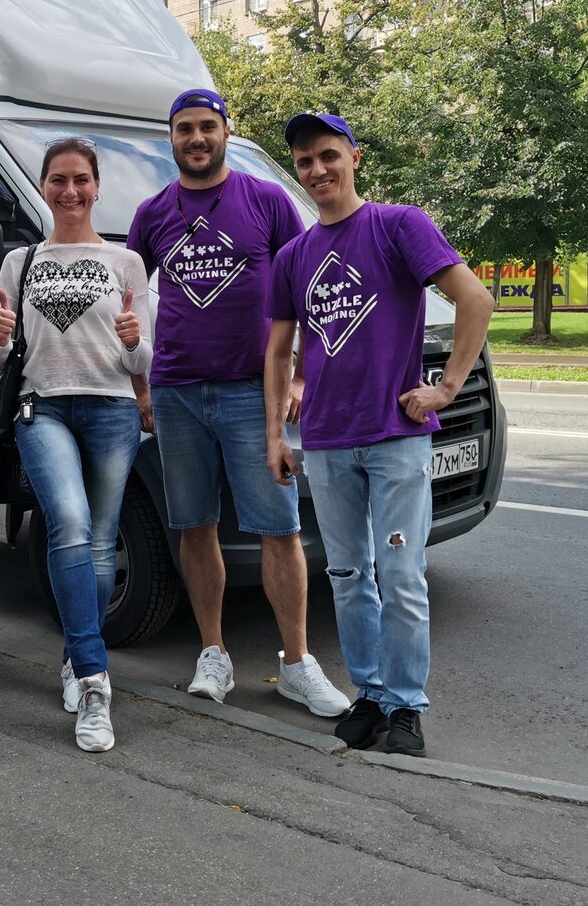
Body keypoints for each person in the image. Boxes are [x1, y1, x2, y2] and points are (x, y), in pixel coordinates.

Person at [266, 112, 495, 756]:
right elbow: (279, 350)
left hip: (395, 437)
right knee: (346, 573)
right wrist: (275, 434)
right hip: (329, 443)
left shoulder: (398, 226)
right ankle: (368, 695)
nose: (317, 170)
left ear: (355, 157)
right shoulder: (295, 257)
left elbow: (474, 299)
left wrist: (446, 387)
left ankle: (405, 705)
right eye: (305, 162)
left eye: (328, 156)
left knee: (399, 572)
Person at [126, 89, 349, 719]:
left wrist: (302, 376)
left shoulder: (268, 200)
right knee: (194, 525)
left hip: (254, 393)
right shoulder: (152, 213)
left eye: (206, 127)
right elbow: (127, 297)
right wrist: (142, 384)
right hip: (176, 394)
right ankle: (214, 653)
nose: (196, 138)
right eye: (184, 129)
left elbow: (311, 283)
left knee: (279, 528)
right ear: (170, 139)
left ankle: (298, 663)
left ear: (225, 131)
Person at [0, 138, 152, 753]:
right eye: (58, 179)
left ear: (97, 186)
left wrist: (135, 340)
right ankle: (94, 681)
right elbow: (1, 357)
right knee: (72, 526)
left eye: (81, 179)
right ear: (45, 185)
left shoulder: (127, 263)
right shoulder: (19, 262)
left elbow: (142, 361)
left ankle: (74, 650)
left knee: (101, 544)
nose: (70, 191)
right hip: (42, 407)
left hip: (111, 409)